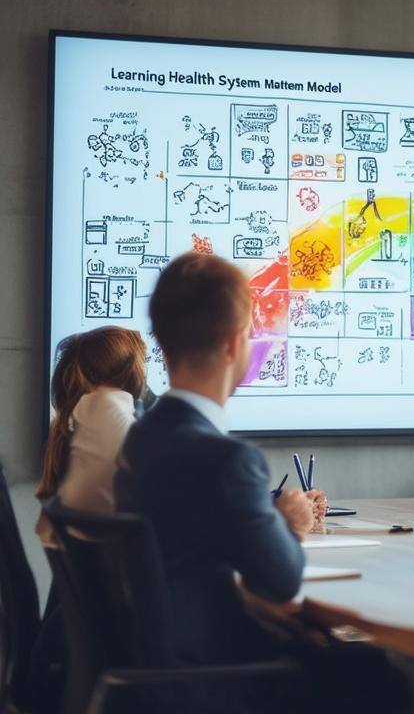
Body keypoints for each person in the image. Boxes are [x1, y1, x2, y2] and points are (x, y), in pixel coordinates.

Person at [115, 253, 315, 665]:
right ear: (232, 344)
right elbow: (283, 581)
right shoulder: (227, 460)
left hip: (162, 670)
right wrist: (288, 522)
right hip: (224, 681)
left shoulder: (141, 437)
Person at [30, 326, 147, 713]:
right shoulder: (123, 440)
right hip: (116, 652)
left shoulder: (76, 434)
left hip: (68, 650)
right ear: (132, 375)